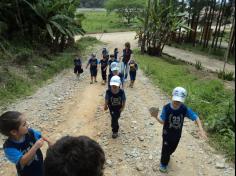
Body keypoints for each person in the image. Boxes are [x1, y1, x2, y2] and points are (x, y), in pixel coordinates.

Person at [150, 87, 207, 173]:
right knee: (165, 149)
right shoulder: (166, 108)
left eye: (179, 101)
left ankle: (167, 155)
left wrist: (201, 129)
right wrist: (155, 117)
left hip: (177, 134)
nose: (177, 102)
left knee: (172, 148)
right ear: (172, 97)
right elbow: (162, 121)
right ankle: (163, 164)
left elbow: (196, 117)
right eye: (175, 100)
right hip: (167, 133)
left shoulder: (184, 109)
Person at [0, 111, 51, 176]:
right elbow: (22, 161)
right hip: (26, 173)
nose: (27, 124)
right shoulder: (9, 147)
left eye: (26, 122)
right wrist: (35, 147)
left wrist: (49, 141)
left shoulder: (30, 132)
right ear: (14, 132)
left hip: (39, 166)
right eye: (24, 124)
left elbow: (40, 135)